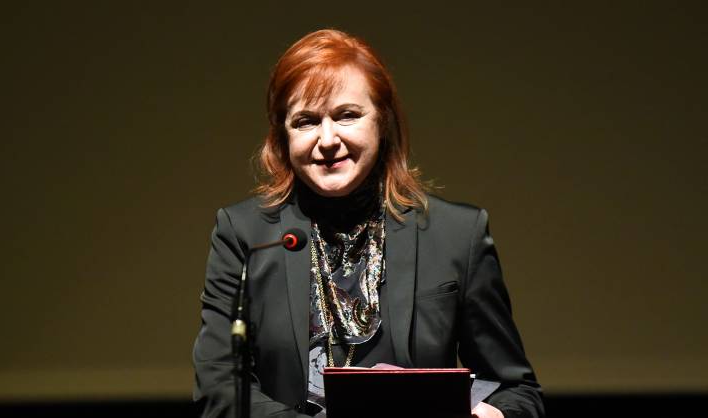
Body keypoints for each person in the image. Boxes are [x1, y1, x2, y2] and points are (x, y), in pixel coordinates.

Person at [192, 29, 545, 418]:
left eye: (347, 115)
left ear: (383, 121)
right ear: (282, 135)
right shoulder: (244, 235)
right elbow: (220, 388)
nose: (328, 139)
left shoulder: (457, 234)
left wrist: (498, 413)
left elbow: (515, 389)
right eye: (306, 121)